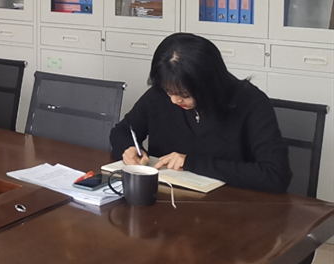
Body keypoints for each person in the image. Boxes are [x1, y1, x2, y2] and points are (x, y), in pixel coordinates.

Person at [109, 33, 291, 193]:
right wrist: (128, 149)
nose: (174, 100)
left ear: (209, 84)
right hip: (165, 203)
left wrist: (190, 162)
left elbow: (275, 175)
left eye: (185, 95)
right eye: (168, 91)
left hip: (231, 208)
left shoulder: (250, 102)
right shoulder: (160, 95)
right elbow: (122, 131)